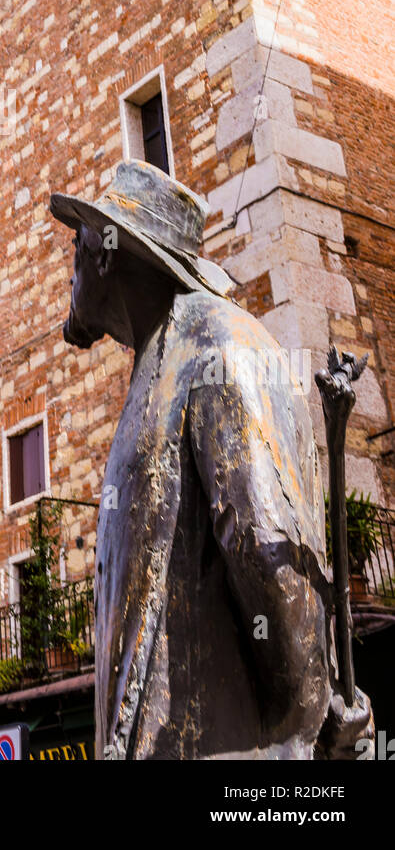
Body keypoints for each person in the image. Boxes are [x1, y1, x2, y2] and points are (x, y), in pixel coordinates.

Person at [51, 160, 372, 760]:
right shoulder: (160, 361)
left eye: (77, 243)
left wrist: (300, 733)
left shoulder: (222, 344)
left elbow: (264, 546)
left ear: (104, 254)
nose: (68, 268)